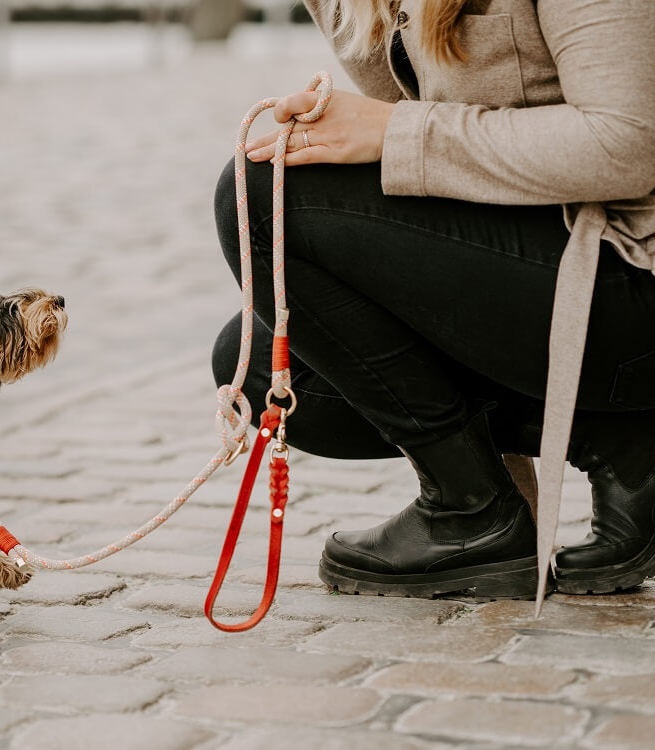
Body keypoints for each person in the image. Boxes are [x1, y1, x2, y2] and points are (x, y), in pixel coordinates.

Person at [212, 0, 655, 600]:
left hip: (635, 271)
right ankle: (584, 458)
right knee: (262, 366)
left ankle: (468, 514)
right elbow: (426, 183)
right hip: (552, 255)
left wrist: (394, 131)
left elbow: (628, 143)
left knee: (273, 197)